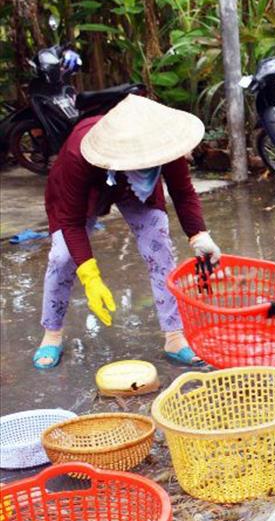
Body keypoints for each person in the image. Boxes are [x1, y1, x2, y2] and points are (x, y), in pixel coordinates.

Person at [34, 94, 222, 369]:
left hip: (138, 189)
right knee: (63, 257)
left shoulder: (164, 144)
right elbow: (71, 221)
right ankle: (51, 334)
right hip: (90, 187)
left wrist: (199, 234)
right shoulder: (80, 150)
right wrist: (90, 276)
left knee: (158, 245)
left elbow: (182, 192)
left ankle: (174, 336)